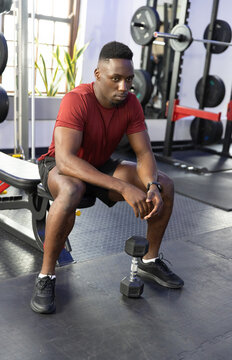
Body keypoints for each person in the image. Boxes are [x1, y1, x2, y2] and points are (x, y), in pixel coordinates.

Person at [30, 41, 184, 314]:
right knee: (71, 191)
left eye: (128, 80)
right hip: (62, 166)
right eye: (116, 79)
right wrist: (122, 186)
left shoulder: (131, 104)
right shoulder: (77, 100)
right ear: (98, 75)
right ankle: (46, 276)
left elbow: (144, 152)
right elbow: (66, 159)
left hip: (101, 164)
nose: (123, 87)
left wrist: (151, 185)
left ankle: (149, 261)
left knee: (166, 184)